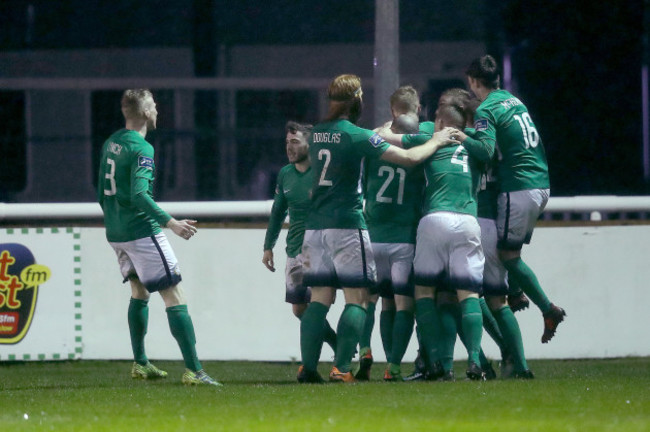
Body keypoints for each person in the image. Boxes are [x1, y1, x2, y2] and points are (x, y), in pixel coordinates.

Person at [297, 74, 460, 383]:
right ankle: (342, 368)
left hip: (314, 227)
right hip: (346, 225)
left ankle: (307, 368)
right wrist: (437, 140)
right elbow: (410, 158)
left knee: (319, 298)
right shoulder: (357, 135)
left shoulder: (316, 133)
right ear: (356, 100)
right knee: (357, 299)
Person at [97, 89, 221, 386]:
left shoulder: (111, 142)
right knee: (174, 295)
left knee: (139, 293)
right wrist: (171, 223)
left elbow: (101, 190)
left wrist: (114, 219)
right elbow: (140, 194)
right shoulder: (142, 149)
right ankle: (195, 370)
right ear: (143, 113)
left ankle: (140, 363)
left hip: (115, 232)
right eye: (153, 105)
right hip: (141, 232)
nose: (157, 109)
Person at [460, 55, 566, 343]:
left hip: (519, 187)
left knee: (508, 255)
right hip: (540, 183)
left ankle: (548, 308)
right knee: (508, 249)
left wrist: (459, 135)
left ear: (472, 81)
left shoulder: (486, 109)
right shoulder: (514, 100)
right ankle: (516, 291)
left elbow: (484, 150)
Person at [411, 104, 486, 381]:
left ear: (440, 122)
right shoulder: (477, 145)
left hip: (435, 218)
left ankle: (434, 362)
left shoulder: (430, 139)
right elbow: (488, 152)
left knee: (425, 293)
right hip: (467, 220)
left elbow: (396, 138)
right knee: (468, 295)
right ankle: (476, 360)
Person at [357, 86, 424, 382]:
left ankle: (367, 349)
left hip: (374, 233)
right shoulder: (419, 151)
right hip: (404, 237)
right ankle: (394, 366)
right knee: (403, 303)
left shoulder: (374, 145)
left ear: (393, 111)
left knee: (374, 300)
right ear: (416, 109)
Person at [262, 121, 337, 362]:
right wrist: (268, 246)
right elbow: (277, 212)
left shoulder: (322, 173)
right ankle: (334, 339)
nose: (289, 148)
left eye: (295, 142)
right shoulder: (285, 174)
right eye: (287, 143)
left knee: (316, 305)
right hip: (294, 250)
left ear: (310, 144)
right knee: (299, 309)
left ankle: (311, 365)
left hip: (321, 250)